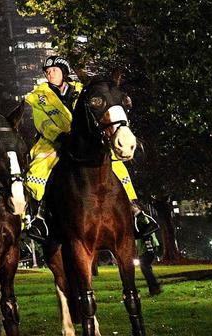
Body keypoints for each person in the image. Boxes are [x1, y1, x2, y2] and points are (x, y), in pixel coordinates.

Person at [23, 56, 157, 242]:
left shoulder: (83, 90)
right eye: (47, 71)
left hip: (85, 139)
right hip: (55, 141)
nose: (50, 73)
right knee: (41, 167)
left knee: (115, 163)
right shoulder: (38, 97)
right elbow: (41, 121)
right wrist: (59, 136)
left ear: (64, 72)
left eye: (54, 70)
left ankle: (135, 210)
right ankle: (40, 216)